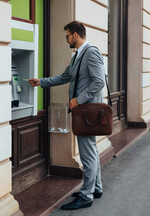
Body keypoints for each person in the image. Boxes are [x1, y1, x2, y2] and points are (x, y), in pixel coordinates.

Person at [28, 21, 105, 210]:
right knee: (91, 150)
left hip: (87, 112)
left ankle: (86, 195)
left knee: (87, 154)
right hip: (84, 112)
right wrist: (41, 82)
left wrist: (79, 100)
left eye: (67, 36)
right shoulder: (78, 55)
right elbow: (65, 77)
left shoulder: (90, 52)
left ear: (76, 35)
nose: (67, 39)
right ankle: (96, 187)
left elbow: (99, 81)